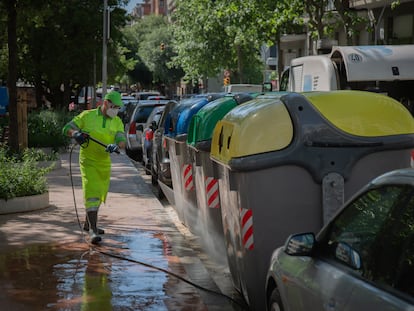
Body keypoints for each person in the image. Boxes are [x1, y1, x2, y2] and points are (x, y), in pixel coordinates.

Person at [62, 90, 126, 244]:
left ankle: (87, 223)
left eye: (118, 107)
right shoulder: (87, 116)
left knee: (99, 193)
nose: (116, 110)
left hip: (104, 163)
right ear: (105, 103)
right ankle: (93, 230)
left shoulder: (116, 121)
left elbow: (122, 140)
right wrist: (75, 134)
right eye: (114, 106)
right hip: (88, 161)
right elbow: (66, 128)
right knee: (92, 192)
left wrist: (116, 145)